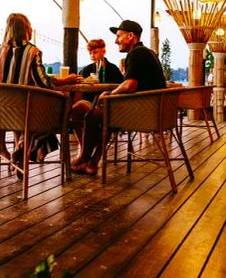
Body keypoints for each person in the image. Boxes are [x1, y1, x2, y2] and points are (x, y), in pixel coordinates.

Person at [0, 13, 81, 168]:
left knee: (26, 110)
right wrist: (64, 80)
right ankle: (22, 147)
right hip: (23, 113)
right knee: (48, 113)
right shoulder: (33, 52)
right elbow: (43, 82)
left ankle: (19, 147)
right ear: (27, 30)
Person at [70, 20, 166, 176]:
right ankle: (91, 163)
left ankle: (84, 158)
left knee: (94, 114)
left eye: (119, 36)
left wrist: (109, 94)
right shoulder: (147, 52)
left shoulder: (137, 53)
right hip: (153, 111)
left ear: (130, 36)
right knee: (106, 113)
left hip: (144, 114)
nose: (116, 41)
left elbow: (129, 85)